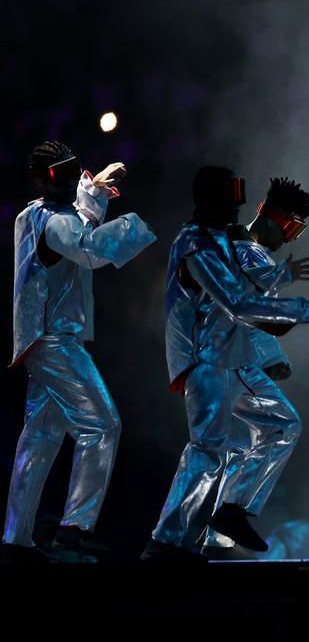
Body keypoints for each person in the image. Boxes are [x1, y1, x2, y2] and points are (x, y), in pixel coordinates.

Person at [143, 166, 309, 562]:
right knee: (209, 450)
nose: (235, 212)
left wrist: (273, 349)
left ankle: (220, 526)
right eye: (230, 203)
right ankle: (167, 542)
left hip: (228, 356)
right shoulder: (202, 245)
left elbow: (243, 308)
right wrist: (294, 303)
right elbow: (238, 303)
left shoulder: (222, 242)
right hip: (209, 358)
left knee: (256, 437)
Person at [3, 141, 155, 564]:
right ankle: (75, 527)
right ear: (40, 178)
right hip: (55, 342)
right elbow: (89, 248)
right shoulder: (52, 222)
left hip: (43, 339)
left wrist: (96, 188)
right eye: (60, 173)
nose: (70, 178)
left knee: (39, 439)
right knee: (102, 426)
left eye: (74, 170)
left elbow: (79, 227)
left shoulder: (35, 215)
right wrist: (134, 226)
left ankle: (16, 540)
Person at [201, 177, 309, 559]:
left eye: (297, 231)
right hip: (228, 358)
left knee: (237, 447)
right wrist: (274, 355)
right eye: (291, 227)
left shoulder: (234, 248)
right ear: (270, 216)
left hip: (211, 357)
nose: (291, 239)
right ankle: (230, 514)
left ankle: (213, 542)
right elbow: (249, 312)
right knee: (284, 426)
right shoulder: (251, 256)